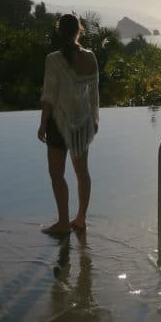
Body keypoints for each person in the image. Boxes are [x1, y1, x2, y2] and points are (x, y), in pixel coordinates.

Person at [38, 13, 100, 235]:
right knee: (82, 172)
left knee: (57, 175)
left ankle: (64, 222)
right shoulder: (90, 57)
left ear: (59, 31)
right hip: (82, 123)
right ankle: (80, 219)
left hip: (57, 123)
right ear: (79, 30)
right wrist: (94, 119)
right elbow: (94, 94)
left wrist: (42, 124)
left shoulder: (53, 59)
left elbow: (49, 96)